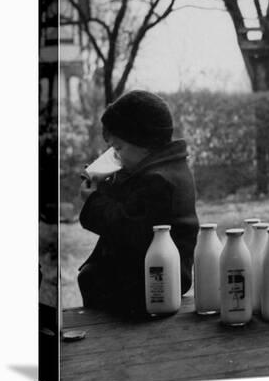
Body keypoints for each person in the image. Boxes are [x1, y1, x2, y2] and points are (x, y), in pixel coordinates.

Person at [78, 90, 199, 317]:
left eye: (119, 148)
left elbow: (126, 227)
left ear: (143, 142)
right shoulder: (165, 169)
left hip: (150, 286)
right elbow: (133, 204)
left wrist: (92, 202)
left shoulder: (158, 181)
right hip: (156, 280)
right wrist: (104, 186)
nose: (117, 156)